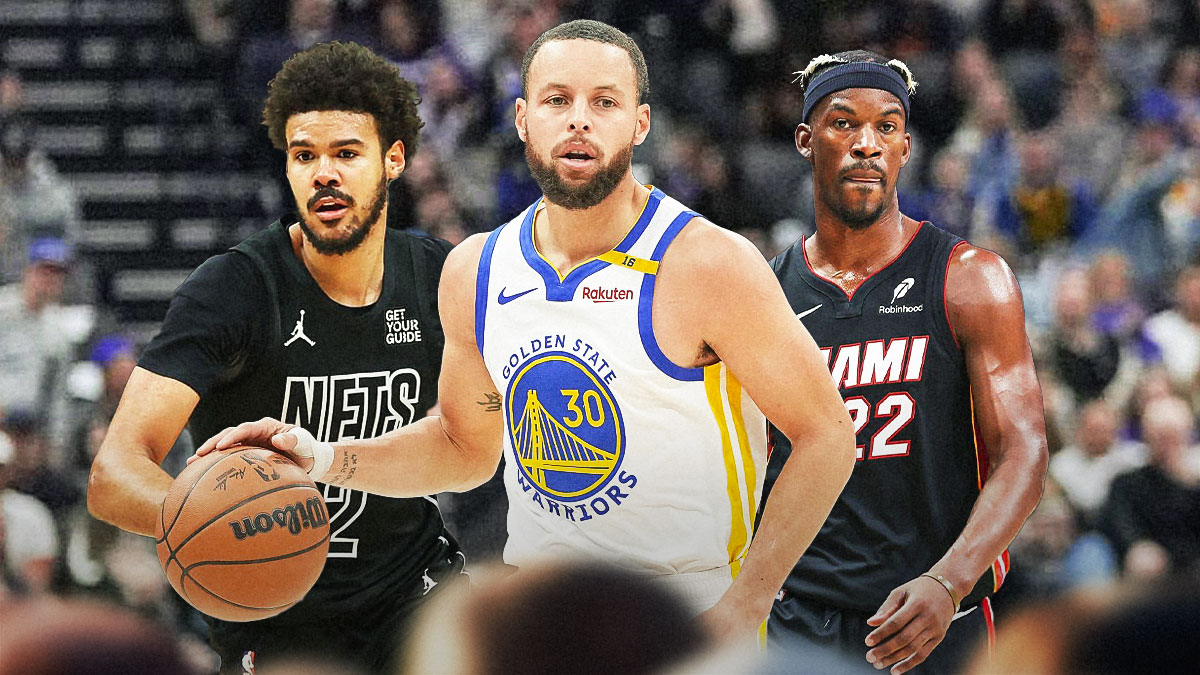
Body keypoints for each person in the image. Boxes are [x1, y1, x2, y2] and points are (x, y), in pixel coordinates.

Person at [199, 19, 856, 640]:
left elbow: (827, 435)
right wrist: (322, 457)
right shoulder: (477, 269)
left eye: (604, 102)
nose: (578, 118)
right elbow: (463, 446)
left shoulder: (709, 263)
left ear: (639, 124)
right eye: (556, 100)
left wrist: (749, 598)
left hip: (685, 617)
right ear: (522, 119)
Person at [87, 42, 464, 675]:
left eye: (346, 153)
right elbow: (115, 472)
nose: (323, 173)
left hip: (416, 591)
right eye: (303, 155)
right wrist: (213, 520)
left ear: (393, 160)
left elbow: (469, 440)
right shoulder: (234, 289)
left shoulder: (437, 276)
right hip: (274, 609)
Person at [766, 51, 1049, 674]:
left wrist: (950, 582)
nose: (867, 144)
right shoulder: (766, 294)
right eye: (843, 124)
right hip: (798, 622)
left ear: (905, 148)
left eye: (886, 127)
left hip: (935, 613)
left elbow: (1024, 452)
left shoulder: (970, 278)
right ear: (805, 142)